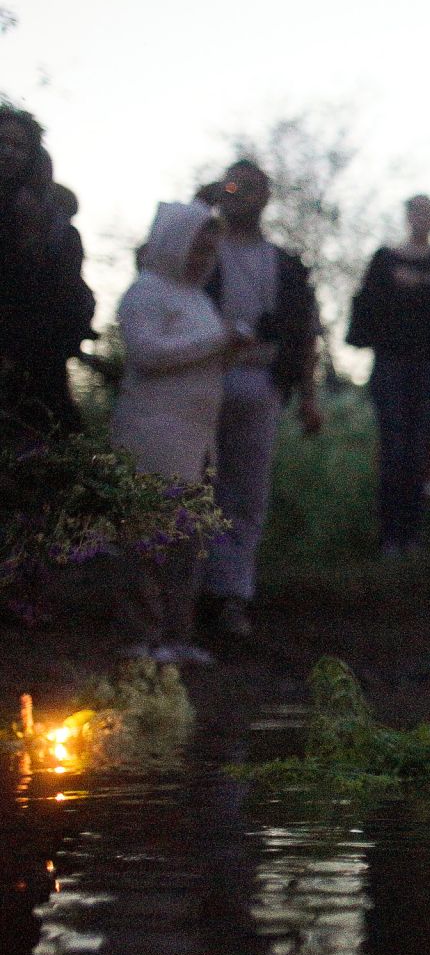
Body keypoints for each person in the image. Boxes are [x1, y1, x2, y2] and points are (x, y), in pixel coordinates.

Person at [109, 201, 243, 663]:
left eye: (210, 249)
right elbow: (147, 353)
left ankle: (176, 634)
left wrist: (230, 348)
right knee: (146, 534)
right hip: (151, 431)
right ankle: (141, 636)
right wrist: (218, 340)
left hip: (197, 436)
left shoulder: (199, 299)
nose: (202, 258)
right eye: (195, 247)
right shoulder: (146, 292)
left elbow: (200, 356)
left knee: (188, 538)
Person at [201, 159, 323, 640]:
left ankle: (232, 594)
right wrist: (198, 203)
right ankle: (190, 593)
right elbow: (155, 261)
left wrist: (309, 398)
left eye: (253, 187)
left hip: (263, 381)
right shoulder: (201, 251)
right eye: (236, 185)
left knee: (247, 493)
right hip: (203, 377)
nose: (243, 194)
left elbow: (306, 333)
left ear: (267, 196)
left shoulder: (286, 265)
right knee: (195, 485)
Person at [346, 195, 430, 557]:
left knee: (418, 449)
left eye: (429, 213)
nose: (422, 219)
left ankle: (411, 535)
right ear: (407, 217)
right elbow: (367, 309)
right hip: (392, 366)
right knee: (394, 447)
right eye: (417, 212)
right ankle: (389, 536)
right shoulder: (385, 261)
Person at [0, 105, 94, 441]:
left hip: (32, 377)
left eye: (17, 146)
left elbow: (66, 298)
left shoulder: (55, 231)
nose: (7, 153)